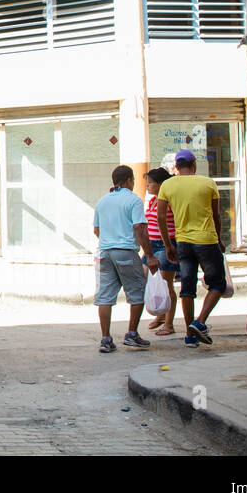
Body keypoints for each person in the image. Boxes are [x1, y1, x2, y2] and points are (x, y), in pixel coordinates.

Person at [156, 149, 225, 347]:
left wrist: (168, 244)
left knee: (187, 288)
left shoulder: (168, 185)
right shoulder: (208, 183)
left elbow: (161, 217)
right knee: (218, 284)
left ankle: (190, 335)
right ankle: (199, 321)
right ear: (194, 165)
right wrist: (219, 239)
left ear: (176, 167)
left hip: (183, 242)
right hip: (207, 240)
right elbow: (216, 216)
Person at [93, 165, 158, 352]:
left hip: (104, 252)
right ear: (129, 180)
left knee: (105, 297)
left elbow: (96, 230)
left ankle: (105, 339)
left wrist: (109, 241)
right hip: (126, 251)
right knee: (136, 292)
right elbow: (140, 228)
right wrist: (150, 255)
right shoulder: (133, 200)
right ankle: (131, 333)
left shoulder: (102, 201)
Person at [143, 166, 180, 335]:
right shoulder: (152, 201)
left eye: (151, 183)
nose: (148, 186)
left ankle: (169, 323)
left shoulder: (169, 201)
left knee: (167, 284)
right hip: (152, 245)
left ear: (161, 184)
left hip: (166, 244)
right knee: (149, 278)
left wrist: (169, 246)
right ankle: (160, 314)